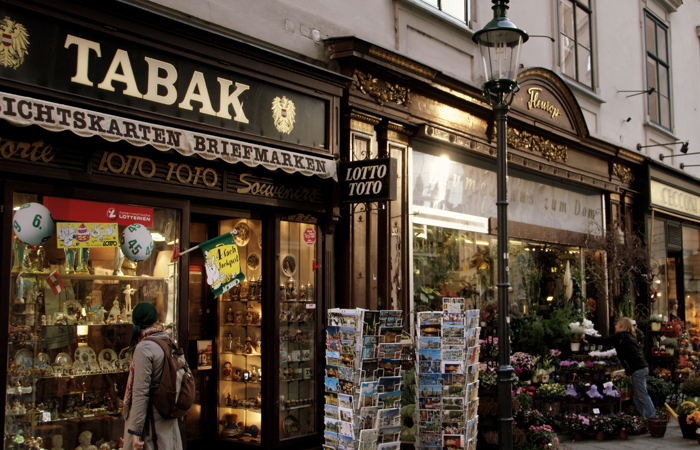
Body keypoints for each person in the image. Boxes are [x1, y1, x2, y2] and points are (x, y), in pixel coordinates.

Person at [123, 302, 183, 450]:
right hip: (169, 419)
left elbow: (140, 392)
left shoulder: (144, 347)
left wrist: (135, 431)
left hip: (151, 425)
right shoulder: (169, 341)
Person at [584, 317, 657, 418]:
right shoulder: (630, 336)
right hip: (640, 367)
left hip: (637, 369)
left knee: (642, 395)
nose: (615, 326)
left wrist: (586, 337)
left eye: (617, 324)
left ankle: (652, 417)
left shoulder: (620, 337)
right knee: (637, 396)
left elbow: (604, 340)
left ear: (621, 326)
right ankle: (642, 417)